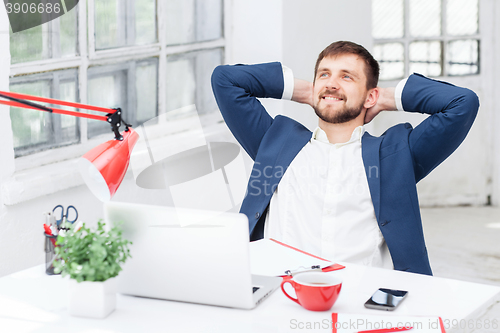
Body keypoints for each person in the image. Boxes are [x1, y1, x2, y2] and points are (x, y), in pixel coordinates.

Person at [211, 41, 479, 275]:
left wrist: (384, 97)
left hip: (364, 305)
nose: (332, 82)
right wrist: (308, 92)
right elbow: (225, 79)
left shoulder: (396, 155)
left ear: (370, 95)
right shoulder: (275, 142)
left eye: (347, 77)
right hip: (280, 297)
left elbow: (462, 103)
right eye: (324, 74)